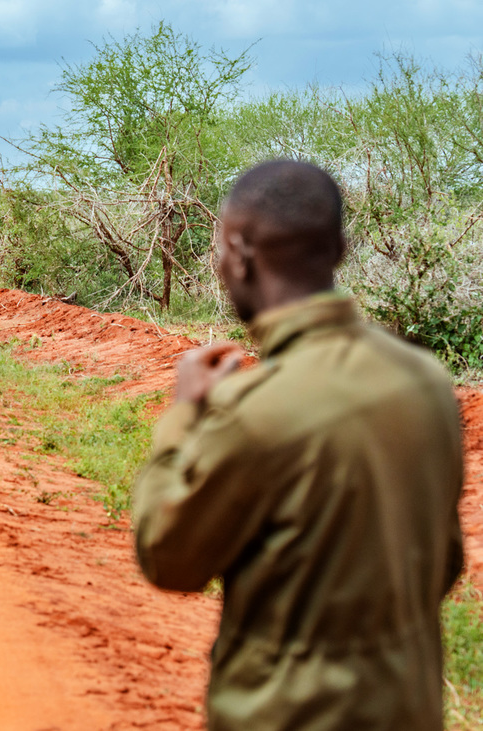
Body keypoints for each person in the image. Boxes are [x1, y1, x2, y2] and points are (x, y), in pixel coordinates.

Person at [132, 160, 463, 730]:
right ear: (337, 247)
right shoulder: (425, 380)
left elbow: (169, 557)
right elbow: (445, 561)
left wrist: (183, 416)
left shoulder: (254, 409)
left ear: (238, 251)